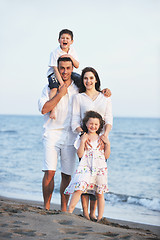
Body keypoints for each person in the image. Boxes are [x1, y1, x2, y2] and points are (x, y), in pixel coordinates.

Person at [38, 57, 111, 212]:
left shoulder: (78, 88)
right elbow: (44, 109)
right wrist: (60, 94)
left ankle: (64, 210)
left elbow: (92, 94)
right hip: (52, 133)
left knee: (67, 174)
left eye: (68, 68)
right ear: (57, 69)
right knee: (50, 172)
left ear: (72, 69)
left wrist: (105, 91)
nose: (65, 71)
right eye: (61, 68)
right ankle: (46, 207)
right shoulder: (49, 88)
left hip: (71, 136)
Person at [71, 67, 113, 220]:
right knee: (85, 179)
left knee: (97, 180)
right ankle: (85, 213)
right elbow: (74, 121)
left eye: (91, 78)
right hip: (85, 143)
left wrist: (105, 137)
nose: (88, 81)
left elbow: (109, 119)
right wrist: (83, 135)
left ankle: (94, 212)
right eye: (85, 78)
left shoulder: (105, 97)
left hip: (100, 143)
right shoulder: (78, 97)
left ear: (96, 79)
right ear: (82, 81)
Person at [65, 111, 111, 222]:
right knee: (79, 188)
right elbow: (80, 154)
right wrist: (82, 141)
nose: (93, 126)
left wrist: (108, 144)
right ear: (86, 124)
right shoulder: (82, 137)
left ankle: (100, 218)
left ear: (100, 126)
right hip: (85, 167)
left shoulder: (102, 139)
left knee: (99, 193)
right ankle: (69, 211)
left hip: (100, 168)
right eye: (91, 123)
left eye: (96, 124)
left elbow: (106, 156)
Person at [47, 29, 79, 119]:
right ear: (58, 40)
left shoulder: (72, 51)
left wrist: (70, 57)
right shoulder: (54, 52)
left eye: (67, 38)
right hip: (54, 73)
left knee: (80, 79)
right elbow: (56, 69)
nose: (65, 40)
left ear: (71, 41)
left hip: (68, 72)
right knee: (54, 88)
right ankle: (53, 110)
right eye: (62, 38)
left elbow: (77, 65)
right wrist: (62, 84)